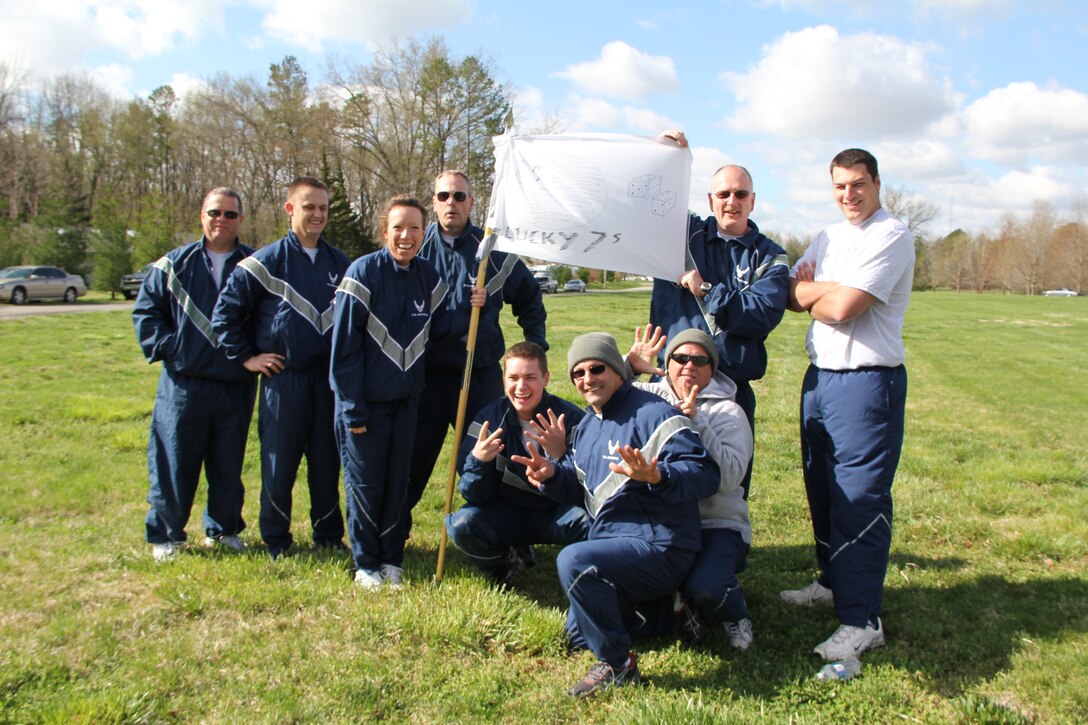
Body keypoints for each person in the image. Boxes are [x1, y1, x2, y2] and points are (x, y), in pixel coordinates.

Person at [512, 333, 719, 698]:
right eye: (578, 373)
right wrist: (551, 476)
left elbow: (705, 475)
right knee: (578, 634)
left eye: (597, 368)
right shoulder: (587, 426)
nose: (587, 378)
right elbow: (584, 490)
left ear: (618, 372)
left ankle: (617, 664)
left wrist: (657, 475)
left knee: (574, 561)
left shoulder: (656, 414)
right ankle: (669, 610)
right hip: (614, 546)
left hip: (662, 546)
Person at [782, 148, 914, 662]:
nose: (849, 194)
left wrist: (821, 290)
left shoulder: (891, 235)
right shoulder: (827, 236)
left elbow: (839, 308)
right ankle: (833, 581)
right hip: (820, 380)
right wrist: (823, 288)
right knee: (823, 489)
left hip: (867, 383)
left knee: (859, 498)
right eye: (840, 186)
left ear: (876, 183)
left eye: (858, 184)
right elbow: (789, 294)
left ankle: (862, 619)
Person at [329, 195, 481, 589]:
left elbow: (444, 327)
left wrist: (474, 305)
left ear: (423, 232)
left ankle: (392, 557)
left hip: (407, 403)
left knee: (399, 483)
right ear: (385, 232)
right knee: (366, 484)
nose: (406, 236)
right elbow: (343, 352)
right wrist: (353, 410)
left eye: (414, 228)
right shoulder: (361, 274)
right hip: (365, 407)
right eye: (398, 227)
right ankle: (365, 563)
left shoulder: (428, 277)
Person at [212, 176, 349, 559]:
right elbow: (225, 314)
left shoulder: (341, 263)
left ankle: (327, 536)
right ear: (290, 209)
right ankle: (276, 539)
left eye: (323, 207)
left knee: (326, 464)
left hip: (328, 382)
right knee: (279, 464)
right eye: (309, 207)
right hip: (283, 381)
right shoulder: (263, 262)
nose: (318, 214)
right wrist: (247, 357)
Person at [405, 170, 548, 533]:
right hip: (428, 375)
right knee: (413, 455)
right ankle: (393, 538)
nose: (450, 203)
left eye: (458, 196)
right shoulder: (415, 247)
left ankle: (500, 536)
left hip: (479, 372)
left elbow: (530, 299)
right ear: (433, 203)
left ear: (471, 202)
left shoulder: (493, 251)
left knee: (488, 455)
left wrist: (537, 348)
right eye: (443, 196)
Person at [650, 130, 789, 499]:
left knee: (730, 478)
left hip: (731, 387)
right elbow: (653, 204)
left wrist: (707, 290)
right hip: (675, 378)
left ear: (753, 201)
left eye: (740, 194)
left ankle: (728, 546)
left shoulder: (770, 256)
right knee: (668, 467)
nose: (732, 201)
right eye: (724, 194)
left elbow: (760, 315)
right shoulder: (682, 236)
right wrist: (674, 161)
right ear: (711, 199)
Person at [133, 187, 257, 561]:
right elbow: (146, 314)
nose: (222, 220)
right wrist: (175, 349)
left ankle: (223, 529)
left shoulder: (254, 265)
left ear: (241, 220)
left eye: (230, 214)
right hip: (183, 384)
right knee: (174, 458)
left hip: (235, 383)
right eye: (215, 212)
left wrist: (252, 355)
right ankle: (166, 535)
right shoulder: (173, 265)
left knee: (227, 461)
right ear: (202, 215)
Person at [628, 326, 755, 650]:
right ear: (667, 363)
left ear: (711, 370)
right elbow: (605, 401)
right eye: (680, 358)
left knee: (708, 586)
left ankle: (734, 612)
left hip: (716, 524)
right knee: (632, 584)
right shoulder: (648, 399)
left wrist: (696, 422)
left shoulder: (730, 412)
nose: (689, 366)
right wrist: (629, 367)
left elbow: (728, 478)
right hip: (661, 521)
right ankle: (678, 601)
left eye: (699, 360)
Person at [445, 341, 589, 587]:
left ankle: (584, 573)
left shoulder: (572, 419)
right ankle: (504, 560)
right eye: (513, 378)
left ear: (545, 378)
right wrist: (479, 461)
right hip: (508, 512)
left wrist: (560, 456)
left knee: (598, 523)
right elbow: (473, 496)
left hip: (558, 513)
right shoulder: (487, 421)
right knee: (461, 524)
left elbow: (588, 488)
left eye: (530, 377)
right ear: (503, 379)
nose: (521, 387)